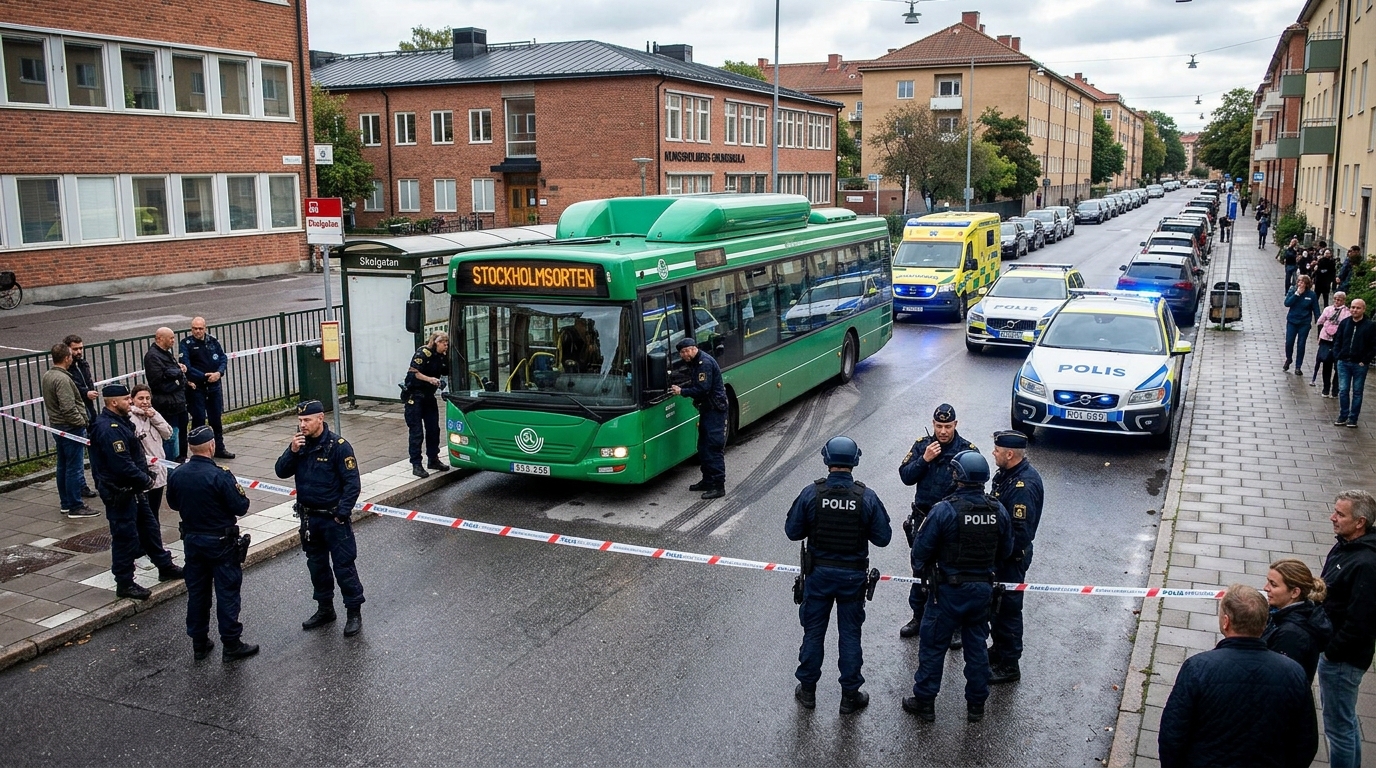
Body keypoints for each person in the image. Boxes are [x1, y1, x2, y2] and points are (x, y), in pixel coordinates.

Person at [784, 436, 892, 714]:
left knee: (813, 633)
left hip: (818, 576)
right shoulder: (865, 497)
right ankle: (849, 696)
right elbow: (883, 538)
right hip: (852, 579)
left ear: (826, 460)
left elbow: (793, 531)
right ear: (855, 461)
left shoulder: (812, 493)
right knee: (850, 636)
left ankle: (807, 691)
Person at [902, 450, 1012, 723]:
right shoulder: (997, 509)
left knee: (933, 647)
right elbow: (1006, 549)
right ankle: (976, 706)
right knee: (976, 647)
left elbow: (919, 554)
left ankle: (925, 702)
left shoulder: (944, 510)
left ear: (958, 477)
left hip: (947, 592)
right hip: (981, 592)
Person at [1157, 584, 1318, 768]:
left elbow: (1172, 734)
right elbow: (1306, 741)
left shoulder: (1198, 668)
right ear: (1264, 623)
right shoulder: (1294, 673)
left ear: (1226, 622)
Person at [166, 426, 257, 662]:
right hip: (221, 542)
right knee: (227, 592)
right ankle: (231, 644)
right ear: (212, 446)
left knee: (197, 592)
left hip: (193, 541)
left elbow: (174, 504)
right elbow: (241, 506)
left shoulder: (177, 474)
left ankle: (199, 642)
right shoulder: (220, 475)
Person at [274, 400, 365, 637]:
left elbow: (352, 484)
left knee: (344, 567)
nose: (302, 425)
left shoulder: (339, 446)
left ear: (320, 418)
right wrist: (291, 451)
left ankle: (353, 612)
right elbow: (281, 471)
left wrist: (341, 514)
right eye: (300, 421)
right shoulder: (299, 445)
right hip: (309, 519)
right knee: (317, 567)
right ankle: (325, 609)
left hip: (333, 519)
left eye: (307, 420)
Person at [87, 384, 183, 600]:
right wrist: (146, 480)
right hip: (120, 492)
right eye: (126, 399)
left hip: (134, 491)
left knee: (149, 529)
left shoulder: (121, 422)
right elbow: (122, 464)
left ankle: (165, 566)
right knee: (125, 537)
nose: (130, 402)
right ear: (113, 402)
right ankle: (124, 582)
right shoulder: (108, 428)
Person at [897, 403, 976, 640]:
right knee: (920, 568)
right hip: (924, 519)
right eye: (939, 426)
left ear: (955, 425)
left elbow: (976, 484)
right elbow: (905, 476)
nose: (943, 431)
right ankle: (918, 617)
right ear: (933, 424)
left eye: (948, 426)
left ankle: (956, 626)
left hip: (952, 523)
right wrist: (925, 459)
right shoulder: (923, 445)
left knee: (954, 574)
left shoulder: (966, 450)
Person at [1318, 490, 1376, 768]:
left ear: (1360, 522)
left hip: (1343, 659)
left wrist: (1331, 650)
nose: (1333, 518)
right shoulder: (1346, 546)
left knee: (1337, 728)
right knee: (1345, 720)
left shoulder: (1366, 563)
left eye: (1341, 514)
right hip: (1339, 652)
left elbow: (1361, 621)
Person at [987, 430, 1045, 685]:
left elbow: (1020, 533)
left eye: (997, 450)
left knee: (1008, 610)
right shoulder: (1008, 475)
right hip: (1002, 558)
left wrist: (997, 555)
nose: (993, 453)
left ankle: (1009, 664)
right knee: (997, 608)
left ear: (1010, 454)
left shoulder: (1024, 486)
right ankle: (999, 651)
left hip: (1011, 560)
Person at [40, 343, 96, 518]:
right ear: (66, 358)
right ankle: (75, 506)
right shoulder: (63, 379)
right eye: (71, 355)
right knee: (74, 468)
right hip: (70, 428)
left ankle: (66, 503)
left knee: (63, 466)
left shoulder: (48, 375)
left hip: (58, 426)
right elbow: (68, 407)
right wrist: (82, 422)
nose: (73, 357)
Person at [670, 338, 728, 500]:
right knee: (703, 446)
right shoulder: (696, 362)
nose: (684, 355)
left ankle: (718, 485)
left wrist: (682, 391)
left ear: (694, 349)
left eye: (686, 351)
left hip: (714, 410)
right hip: (707, 409)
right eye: (682, 353)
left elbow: (702, 389)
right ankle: (707, 480)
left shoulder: (704, 364)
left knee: (713, 447)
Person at [1262, 558, 1332, 684]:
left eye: (1273, 584)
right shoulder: (1288, 613)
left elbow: (1278, 679)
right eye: (1268, 582)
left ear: (1295, 592)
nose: (1266, 588)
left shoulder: (1291, 635)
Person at [179, 317, 235, 459]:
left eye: (200, 328)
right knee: (198, 420)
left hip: (214, 386)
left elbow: (223, 358)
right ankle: (197, 452)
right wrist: (205, 376)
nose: (197, 331)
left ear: (205, 328)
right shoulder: (186, 344)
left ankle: (219, 448)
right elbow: (186, 366)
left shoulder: (212, 341)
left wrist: (219, 373)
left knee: (216, 419)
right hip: (197, 388)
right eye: (194, 328)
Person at [402, 331, 450, 479]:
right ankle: (416, 465)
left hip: (429, 398)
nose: (446, 346)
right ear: (436, 342)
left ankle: (433, 459)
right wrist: (430, 379)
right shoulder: (423, 353)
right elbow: (414, 372)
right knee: (417, 433)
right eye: (444, 343)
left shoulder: (441, 356)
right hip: (415, 398)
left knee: (433, 429)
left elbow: (445, 371)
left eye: (447, 343)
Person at [63, 334, 100, 499]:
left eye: (80, 348)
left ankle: (99, 481)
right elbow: (72, 388)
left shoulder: (83, 364)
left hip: (89, 410)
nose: (78, 352)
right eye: (75, 349)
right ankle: (80, 487)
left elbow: (88, 381)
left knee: (96, 448)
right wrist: (86, 392)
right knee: (75, 459)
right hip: (79, 413)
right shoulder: (66, 369)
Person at [144, 327, 189, 462]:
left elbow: (175, 373)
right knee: (171, 436)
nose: (173, 341)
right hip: (167, 405)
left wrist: (178, 373)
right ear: (160, 339)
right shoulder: (152, 357)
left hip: (178, 403)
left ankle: (182, 457)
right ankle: (172, 463)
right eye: (171, 338)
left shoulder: (166, 354)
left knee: (182, 432)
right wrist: (178, 381)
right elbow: (158, 383)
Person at [128, 384, 172, 518]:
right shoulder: (129, 417)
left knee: (154, 511)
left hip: (158, 469)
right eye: (140, 398)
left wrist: (154, 417)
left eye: (148, 398)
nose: (145, 402)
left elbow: (168, 433)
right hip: (143, 471)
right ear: (132, 399)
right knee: (144, 513)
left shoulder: (153, 413)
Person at [1334, 298, 1376, 428]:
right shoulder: (1345, 323)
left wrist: (1365, 360)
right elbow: (1337, 340)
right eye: (1352, 307)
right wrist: (1337, 356)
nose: (1354, 310)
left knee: (1357, 391)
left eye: (1357, 308)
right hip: (1344, 362)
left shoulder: (1370, 325)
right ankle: (1343, 415)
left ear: (1364, 309)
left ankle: (1353, 418)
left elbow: (1374, 345)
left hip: (1359, 364)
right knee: (1343, 390)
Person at [1283, 274, 1320, 377]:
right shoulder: (1293, 291)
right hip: (1292, 321)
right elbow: (1287, 303)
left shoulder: (1311, 295)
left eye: (1302, 282)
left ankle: (1298, 366)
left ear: (1307, 284)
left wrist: (1319, 320)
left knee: (1301, 344)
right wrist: (1296, 294)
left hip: (1304, 322)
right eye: (1299, 282)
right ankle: (1289, 358)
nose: (1300, 284)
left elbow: (1316, 309)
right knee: (1289, 342)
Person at [1313, 292, 1350, 396]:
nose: (1336, 301)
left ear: (1343, 300)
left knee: (1338, 366)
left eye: (1339, 300)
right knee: (1326, 364)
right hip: (1326, 340)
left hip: (1339, 342)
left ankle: (1335, 389)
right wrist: (1319, 336)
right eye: (1335, 299)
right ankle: (1326, 388)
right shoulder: (1328, 309)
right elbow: (1320, 322)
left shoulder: (1347, 312)